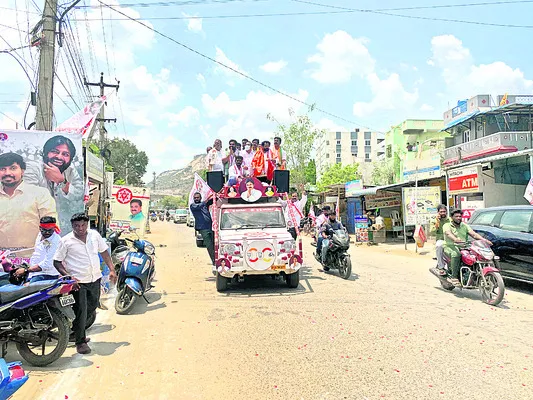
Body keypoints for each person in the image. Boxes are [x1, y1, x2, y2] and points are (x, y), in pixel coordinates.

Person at [53, 213, 117, 355]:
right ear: (72, 226)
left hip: (95, 278)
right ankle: (80, 342)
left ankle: (75, 331)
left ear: (87, 224)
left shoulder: (94, 236)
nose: (80, 228)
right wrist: (69, 277)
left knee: (92, 306)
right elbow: (56, 261)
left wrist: (112, 269)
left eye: (83, 225)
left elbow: (104, 252)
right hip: (78, 282)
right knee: (81, 310)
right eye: (77, 226)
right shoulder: (66, 241)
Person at [25, 135, 84, 233]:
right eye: (55, 152)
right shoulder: (33, 168)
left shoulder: (70, 171)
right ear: (45, 153)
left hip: (59, 230)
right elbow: (28, 199)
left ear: (70, 158)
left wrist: (61, 181)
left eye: (65, 154)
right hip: (33, 228)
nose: (59, 157)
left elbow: (78, 195)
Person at [0, 152, 57, 250]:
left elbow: (51, 227)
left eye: (13, 168)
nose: (7, 173)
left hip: (32, 258)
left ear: (22, 171)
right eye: (2, 169)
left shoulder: (40, 194)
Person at [443, 209, 492, 286]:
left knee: (475, 256)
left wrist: (484, 240)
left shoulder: (464, 225)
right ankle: (454, 277)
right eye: (456, 216)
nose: (459, 218)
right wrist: (455, 239)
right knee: (456, 254)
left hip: (464, 246)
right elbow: (448, 233)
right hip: (450, 246)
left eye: (460, 216)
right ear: (452, 217)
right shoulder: (447, 225)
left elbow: (474, 234)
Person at [13, 216, 61, 283]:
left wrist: (26, 270)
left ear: (54, 228)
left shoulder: (56, 241)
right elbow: (37, 253)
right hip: (34, 273)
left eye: (50, 230)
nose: (47, 233)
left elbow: (48, 264)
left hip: (47, 275)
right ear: (40, 228)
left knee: (27, 292)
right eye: (44, 230)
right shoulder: (40, 235)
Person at [190, 192, 215, 274]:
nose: (196, 199)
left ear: (200, 198)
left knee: (215, 245)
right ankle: (214, 262)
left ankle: (217, 259)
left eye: (198, 197)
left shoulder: (204, 204)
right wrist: (205, 201)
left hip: (210, 227)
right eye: (195, 197)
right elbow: (199, 206)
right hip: (203, 228)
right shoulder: (193, 206)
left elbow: (211, 201)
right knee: (209, 245)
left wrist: (214, 195)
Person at [431, 204, 450, 274]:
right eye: (441, 212)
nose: (443, 213)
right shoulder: (435, 221)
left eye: (444, 211)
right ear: (438, 212)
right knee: (439, 245)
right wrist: (437, 222)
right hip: (442, 240)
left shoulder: (450, 220)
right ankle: (441, 266)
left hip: (451, 240)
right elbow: (432, 232)